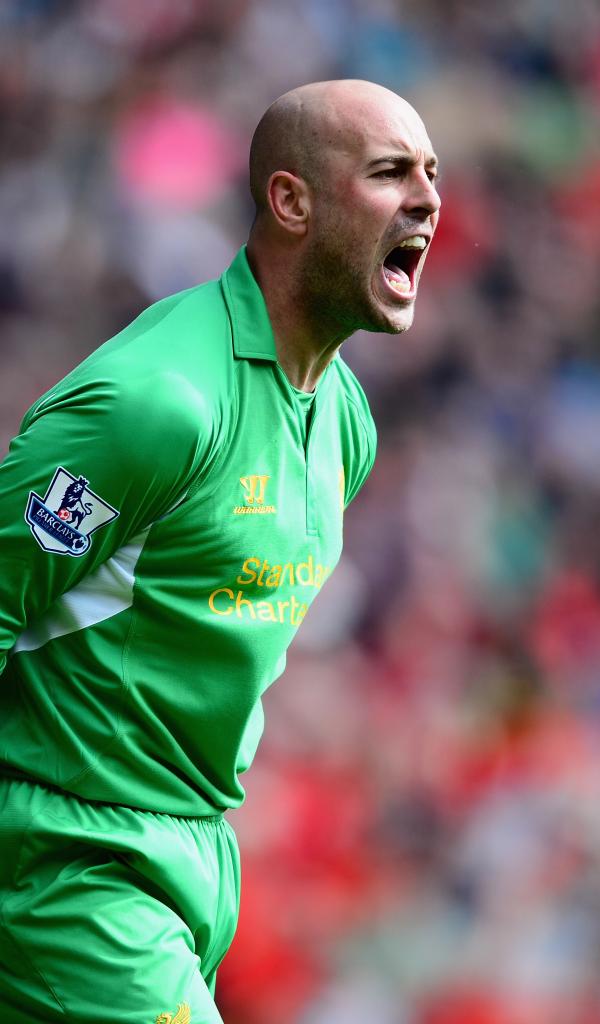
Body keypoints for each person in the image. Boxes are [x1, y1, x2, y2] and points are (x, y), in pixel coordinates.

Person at [0, 79, 440, 1023]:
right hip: (68, 859)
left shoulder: (346, 422)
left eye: (431, 175)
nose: (428, 200)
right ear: (291, 201)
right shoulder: (158, 402)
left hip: (196, 856)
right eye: (390, 173)